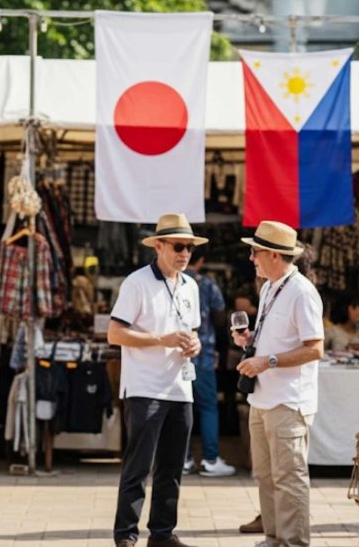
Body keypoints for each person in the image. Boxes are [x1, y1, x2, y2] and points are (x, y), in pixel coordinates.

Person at [108, 213, 204, 547]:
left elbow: (192, 330)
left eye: (189, 248)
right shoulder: (136, 282)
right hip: (145, 386)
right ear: (159, 246)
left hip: (180, 386)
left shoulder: (191, 285)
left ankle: (162, 533)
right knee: (139, 466)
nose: (185, 254)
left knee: (172, 467)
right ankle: (126, 535)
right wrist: (160, 339)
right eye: (178, 246)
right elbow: (115, 333)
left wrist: (195, 343)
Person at [233, 221, 324, 547]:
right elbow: (278, 339)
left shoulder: (302, 292)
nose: (251, 257)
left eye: (255, 251)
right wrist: (251, 340)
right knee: (267, 476)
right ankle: (274, 538)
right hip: (265, 397)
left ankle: (293, 543)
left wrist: (266, 361)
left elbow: (315, 348)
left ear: (273, 254)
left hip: (288, 399)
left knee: (289, 478)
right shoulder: (270, 287)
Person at [182, 244, 235, 477]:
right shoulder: (208, 285)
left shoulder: (172, 282)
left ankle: (182, 459)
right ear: (201, 261)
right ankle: (210, 459)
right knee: (208, 408)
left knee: (181, 407)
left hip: (177, 354)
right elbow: (221, 318)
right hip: (203, 355)